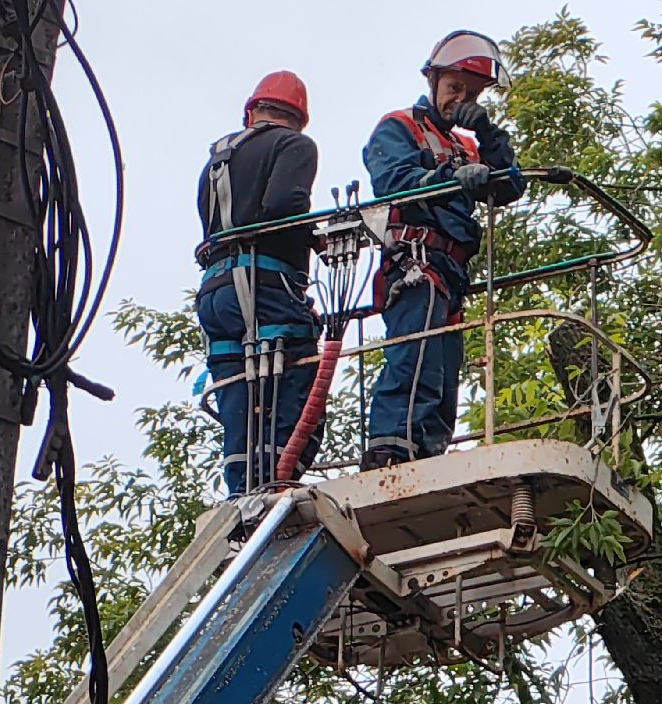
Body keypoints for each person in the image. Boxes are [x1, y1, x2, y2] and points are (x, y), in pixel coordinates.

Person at [359, 30, 525, 468]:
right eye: (454, 88)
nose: (460, 100)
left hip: (451, 272)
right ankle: (390, 448)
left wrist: (487, 133)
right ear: (432, 81)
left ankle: (430, 451)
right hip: (415, 261)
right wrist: (447, 180)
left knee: (443, 368)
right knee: (413, 357)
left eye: (470, 93)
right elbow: (392, 183)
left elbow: (510, 184)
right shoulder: (399, 127)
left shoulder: (467, 144)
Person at [194, 71, 322, 496]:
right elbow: (285, 207)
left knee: (236, 390)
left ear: (251, 111)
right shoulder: (295, 146)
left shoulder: (216, 161)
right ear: (299, 118)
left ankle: (242, 489)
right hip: (264, 285)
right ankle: (277, 481)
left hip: (216, 291)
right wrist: (314, 238)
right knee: (299, 366)